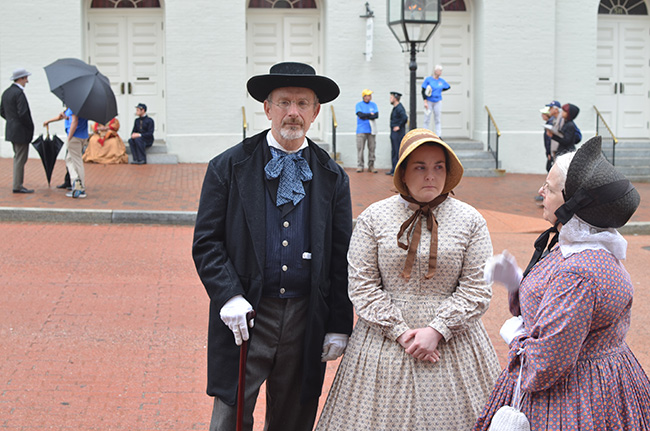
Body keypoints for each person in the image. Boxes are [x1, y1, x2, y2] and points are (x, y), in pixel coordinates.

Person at [192, 62, 353, 431]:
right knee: (230, 417)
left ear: (315, 112)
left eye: (302, 103)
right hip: (248, 316)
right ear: (267, 108)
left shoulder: (332, 175)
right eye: (283, 102)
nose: (292, 112)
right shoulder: (228, 166)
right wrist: (228, 295)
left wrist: (338, 323)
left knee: (293, 418)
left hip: (305, 315)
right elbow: (207, 243)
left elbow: (341, 256)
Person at [315, 128, 501, 431]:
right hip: (384, 341)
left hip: (453, 343)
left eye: (438, 167)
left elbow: (477, 288)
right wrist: (401, 332)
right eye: (420, 167)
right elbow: (361, 285)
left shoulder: (470, 220)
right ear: (403, 172)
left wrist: (438, 330)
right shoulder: (374, 217)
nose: (431, 175)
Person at [473, 136, 649, 430]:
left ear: (573, 205)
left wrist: (516, 338)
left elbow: (545, 364)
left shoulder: (577, 273)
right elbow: (555, 301)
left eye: (550, 188)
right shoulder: (585, 247)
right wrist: (518, 282)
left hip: (574, 398)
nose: (541, 191)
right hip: (605, 379)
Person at [1, 68, 35, 194]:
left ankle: (17, 184)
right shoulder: (19, 93)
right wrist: (29, 126)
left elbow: (2, 112)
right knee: (21, 158)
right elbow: (23, 113)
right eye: (25, 78)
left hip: (11, 129)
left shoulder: (6, 92)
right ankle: (17, 185)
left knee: (18, 157)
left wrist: (12, 121)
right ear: (20, 79)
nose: (27, 81)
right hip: (20, 131)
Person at [43, 108, 89, 199]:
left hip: (75, 137)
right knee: (69, 159)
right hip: (82, 136)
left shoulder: (74, 106)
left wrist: (69, 139)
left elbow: (75, 122)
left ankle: (80, 187)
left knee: (76, 161)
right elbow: (73, 119)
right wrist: (64, 118)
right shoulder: (83, 106)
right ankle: (76, 181)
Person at [421, 65, 450, 137]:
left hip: (438, 101)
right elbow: (423, 90)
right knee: (427, 118)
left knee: (437, 118)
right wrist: (425, 101)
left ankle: (438, 135)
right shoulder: (428, 80)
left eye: (441, 70)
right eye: (439, 70)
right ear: (435, 71)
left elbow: (448, 87)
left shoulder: (441, 81)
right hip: (429, 101)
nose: (440, 72)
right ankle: (425, 134)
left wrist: (439, 90)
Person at [355, 89, 379, 173]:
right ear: (364, 96)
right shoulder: (359, 105)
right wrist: (370, 115)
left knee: (372, 148)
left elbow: (376, 115)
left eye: (370, 95)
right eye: (368, 95)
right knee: (360, 149)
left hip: (371, 130)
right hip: (361, 130)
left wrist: (366, 116)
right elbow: (360, 115)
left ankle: (371, 166)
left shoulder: (374, 105)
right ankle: (360, 166)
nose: (370, 97)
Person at [386, 91, 407, 176]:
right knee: (394, 151)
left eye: (391, 97)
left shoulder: (399, 108)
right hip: (394, 133)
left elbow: (405, 117)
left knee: (397, 150)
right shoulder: (396, 108)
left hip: (398, 133)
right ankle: (393, 169)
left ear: (395, 98)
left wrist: (399, 125)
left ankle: (397, 170)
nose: (390, 99)